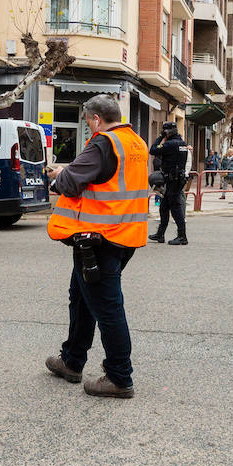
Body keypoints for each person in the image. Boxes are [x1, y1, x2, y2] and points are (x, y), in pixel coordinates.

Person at [44, 94, 149, 400]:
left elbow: (69, 183)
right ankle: (72, 361)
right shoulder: (135, 143)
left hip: (98, 240)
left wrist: (58, 177)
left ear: (95, 119)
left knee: (107, 308)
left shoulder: (104, 142)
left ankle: (119, 376)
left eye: (87, 122)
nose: (88, 129)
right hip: (123, 236)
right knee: (81, 297)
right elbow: (108, 178)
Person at [149, 121, 188, 245]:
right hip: (176, 179)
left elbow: (153, 149)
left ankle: (182, 236)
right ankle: (160, 234)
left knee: (176, 208)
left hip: (173, 180)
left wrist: (161, 137)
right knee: (164, 207)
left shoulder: (170, 144)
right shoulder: (182, 143)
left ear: (167, 132)